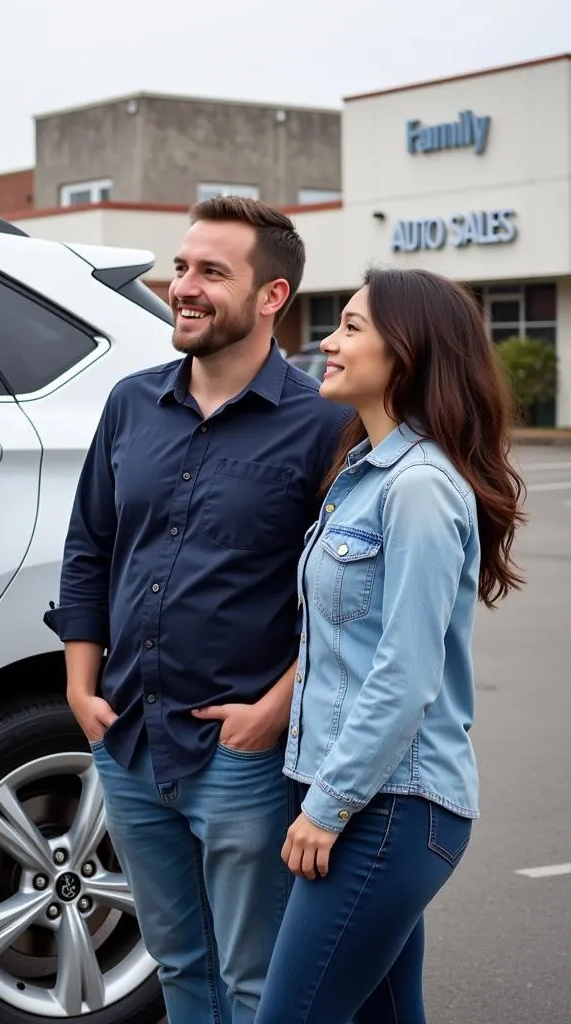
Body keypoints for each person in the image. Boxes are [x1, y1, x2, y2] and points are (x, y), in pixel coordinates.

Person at [44, 196, 350, 1023]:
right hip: (130, 739)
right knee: (180, 966)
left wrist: (272, 711)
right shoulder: (130, 404)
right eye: (181, 267)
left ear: (272, 297)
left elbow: (352, 599)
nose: (183, 286)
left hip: (242, 753)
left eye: (212, 272)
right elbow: (88, 550)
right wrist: (82, 689)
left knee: (256, 980)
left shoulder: (327, 422)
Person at [254, 268, 527, 1024]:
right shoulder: (362, 474)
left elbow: (405, 675)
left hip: (390, 808)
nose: (328, 345)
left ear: (406, 352)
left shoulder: (420, 487)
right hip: (353, 794)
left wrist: (330, 807)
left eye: (349, 328)